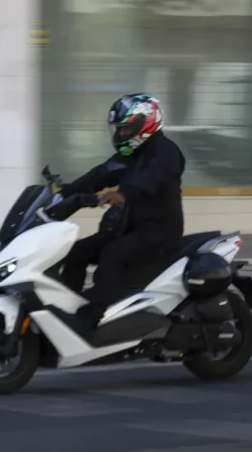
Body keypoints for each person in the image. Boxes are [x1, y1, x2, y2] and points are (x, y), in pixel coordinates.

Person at [56, 93, 186, 337]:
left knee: (112, 255)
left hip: (159, 232)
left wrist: (123, 192)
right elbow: (100, 174)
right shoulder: (131, 156)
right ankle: (67, 308)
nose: (120, 134)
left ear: (144, 124)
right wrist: (65, 192)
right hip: (130, 229)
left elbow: (152, 178)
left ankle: (93, 318)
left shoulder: (166, 151)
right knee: (77, 251)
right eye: (119, 129)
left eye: (125, 129)